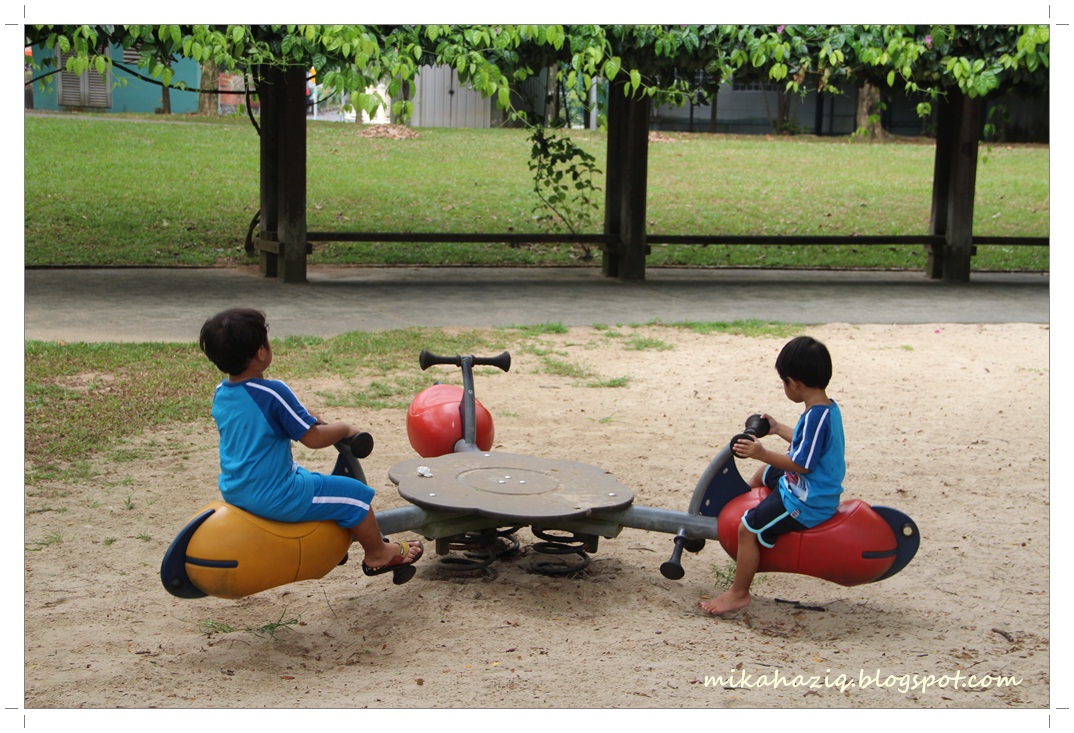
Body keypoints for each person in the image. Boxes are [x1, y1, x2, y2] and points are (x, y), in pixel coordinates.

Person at [198, 307, 422, 578]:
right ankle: (379, 554)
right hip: (274, 493)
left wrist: (306, 417)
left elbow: (261, 423)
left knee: (312, 479)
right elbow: (313, 439)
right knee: (355, 496)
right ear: (261, 352)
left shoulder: (222, 392)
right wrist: (344, 429)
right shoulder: (272, 392)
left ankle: (329, 545)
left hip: (236, 488)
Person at [700, 335, 845, 615]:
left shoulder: (817, 417)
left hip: (807, 501)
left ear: (794, 383)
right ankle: (748, 506)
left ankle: (738, 593)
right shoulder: (824, 408)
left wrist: (761, 452)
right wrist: (778, 429)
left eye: (784, 382)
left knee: (748, 528)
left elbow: (802, 464)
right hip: (806, 484)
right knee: (764, 474)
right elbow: (806, 445)